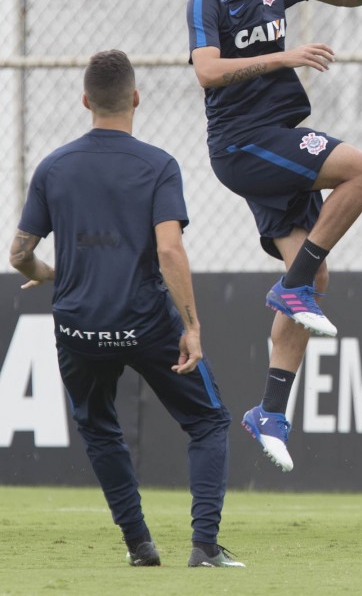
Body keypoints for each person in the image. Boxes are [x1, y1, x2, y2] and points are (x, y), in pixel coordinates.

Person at [187, 0, 362, 472]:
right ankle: (293, 288)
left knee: (314, 274)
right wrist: (284, 56)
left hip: (276, 138)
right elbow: (207, 71)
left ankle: (270, 412)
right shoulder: (208, 0)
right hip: (241, 144)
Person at [8, 50, 243, 569]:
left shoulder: (53, 167)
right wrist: (193, 326)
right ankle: (204, 546)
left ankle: (139, 545)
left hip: (77, 328)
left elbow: (19, 254)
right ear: (135, 98)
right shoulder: (158, 165)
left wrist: (47, 275)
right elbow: (169, 250)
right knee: (208, 421)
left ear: (85, 101)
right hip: (146, 323)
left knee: (98, 426)